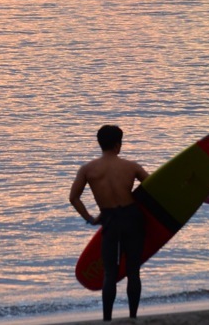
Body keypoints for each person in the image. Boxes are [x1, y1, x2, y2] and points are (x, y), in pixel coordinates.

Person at [69, 125, 149, 321]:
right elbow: (154, 188)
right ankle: (133, 317)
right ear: (117, 145)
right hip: (132, 218)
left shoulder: (88, 169)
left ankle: (107, 319)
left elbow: (74, 198)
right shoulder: (132, 166)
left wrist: (90, 219)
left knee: (110, 273)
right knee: (133, 272)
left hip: (109, 220)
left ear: (100, 144)